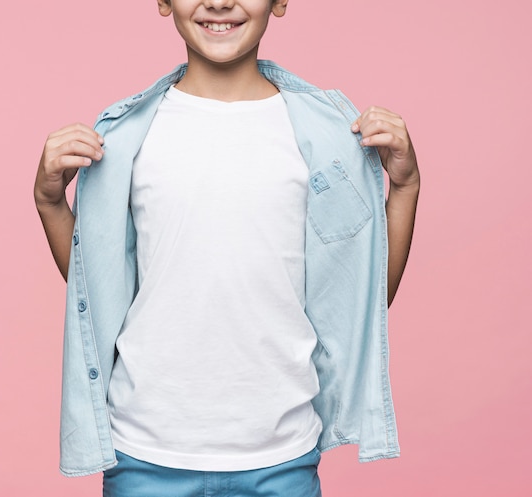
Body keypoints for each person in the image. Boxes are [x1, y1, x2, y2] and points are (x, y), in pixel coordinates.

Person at [34, 1, 419, 496]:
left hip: (282, 456)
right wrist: (50, 204)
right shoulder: (127, 137)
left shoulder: (328, 139)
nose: (218, 1)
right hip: (145, 453)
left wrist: (405, 189)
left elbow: (362, 304)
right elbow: (100, 295)